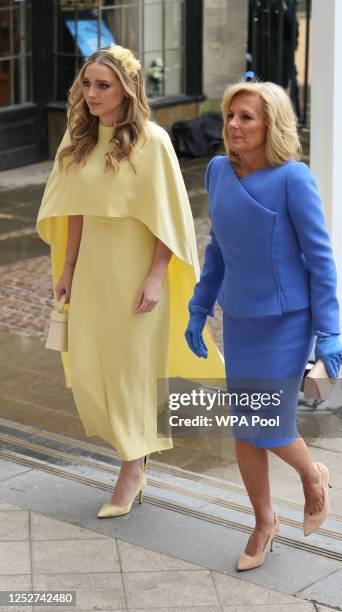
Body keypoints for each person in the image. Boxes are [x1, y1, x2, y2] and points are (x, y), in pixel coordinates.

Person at [37, 45, 223, 519]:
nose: (92, 93)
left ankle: (132, 466)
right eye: (87, 84)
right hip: (94, 266)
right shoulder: (77, 139)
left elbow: (168, 218)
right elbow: (75, 209)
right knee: (91, 366)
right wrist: (69, 268)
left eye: (104, 85)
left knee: (131, 370)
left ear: (127, 89)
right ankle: (129, 450)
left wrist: (157, 276)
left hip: (136, 266)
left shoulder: (154, 142)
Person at [185, 81, 342, 571]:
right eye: (230, 115)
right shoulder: (217, 171)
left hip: (286, 322)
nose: (233, 125)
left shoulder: (293, 178)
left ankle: (313, 475)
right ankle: (263, 521)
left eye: (246, 117)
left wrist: (330, 332)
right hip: (242, 320)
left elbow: (320, 259)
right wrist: (199, 306)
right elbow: (217, 249)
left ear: (270, 123)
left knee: (269, 425)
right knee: (244, 429)